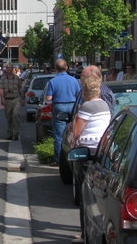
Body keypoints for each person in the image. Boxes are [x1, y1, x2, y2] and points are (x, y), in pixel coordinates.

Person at [69, 74, 111, 244]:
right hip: (101, 151)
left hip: (86, 151)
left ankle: (84, 232)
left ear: (84, 91)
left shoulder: (86, 107)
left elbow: (77, 132)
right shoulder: (104, 105)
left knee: (84, 193)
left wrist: (76, 118)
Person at [45, 59, 82, 165]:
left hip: (59, 107)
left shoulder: (53, 81)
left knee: (58, 135)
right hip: (72, 106)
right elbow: (78, 95)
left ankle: (59, 161)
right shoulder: (74, 80)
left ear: (56, 69)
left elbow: (48, 98)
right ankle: (73, 158)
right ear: (66, 68)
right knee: (74, 133)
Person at [0, 63, 24, 141]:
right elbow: (1, 89)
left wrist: (23, 98)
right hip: (7, 99)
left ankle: (16, 133)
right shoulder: (3, 79)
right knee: (9, 117)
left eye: (10, 68)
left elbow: (20, 88)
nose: (8, 69)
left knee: (15, 115)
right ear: (5, 69)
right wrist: (2, 98)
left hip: (16, 99)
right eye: (7, 68)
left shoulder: (17, 78)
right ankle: (10, 133)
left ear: (12, 69)